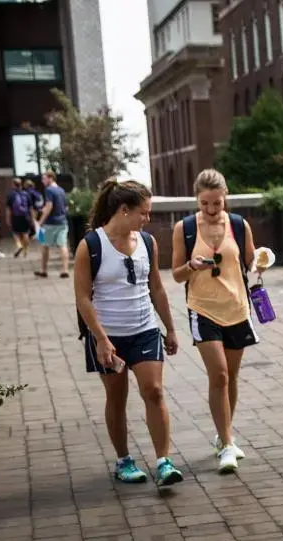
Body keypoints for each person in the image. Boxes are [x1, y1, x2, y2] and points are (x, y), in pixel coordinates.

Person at [73, 178, 185, 488]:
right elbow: (82, 297)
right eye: (144, 213)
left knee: (155, 391)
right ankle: (123, 460)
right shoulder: (91, 245)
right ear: (124, 210)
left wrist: (170, 329)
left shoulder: (147, 242)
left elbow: (157, 289)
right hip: (109, 336)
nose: (147, 219)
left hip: (145, 329)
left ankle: (163, 461)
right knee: (117, 397)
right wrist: (101, 339)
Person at [171, 168, 268, 474]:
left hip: (237, 308)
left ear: (225, 197)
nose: (212, 211)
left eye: (216, 203)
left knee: (232, 377)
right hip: (202, 309)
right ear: (197, 200)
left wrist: (262, 262)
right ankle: (227, 445)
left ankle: (223, 433)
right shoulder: (184, 228)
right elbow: (175, 275)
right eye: (204, 204)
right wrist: (192, 265)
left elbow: (251, 261)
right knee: (221, 376)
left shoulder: (239, 225)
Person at [35, 171, 70, 278]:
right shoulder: (61, 190)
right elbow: (65, 207)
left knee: (45, 246)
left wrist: (40, 222)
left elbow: (49, 206)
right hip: (63, 222)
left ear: (51, 178)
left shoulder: (48, 190)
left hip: (50, 223)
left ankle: (43, 270)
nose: (42, 181)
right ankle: (65, 270)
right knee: (62, 245)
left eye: (44, 178)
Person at [6, 178, 33, 257]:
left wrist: (8, 219)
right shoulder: (26, 194)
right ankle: (26, 251)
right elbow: (30, 208)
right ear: (21, 184)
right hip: (26, 216)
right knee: (26, 233)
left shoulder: (10, 195)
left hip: (15, 217)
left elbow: (8, 209)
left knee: (15, 233)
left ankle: (19, 245)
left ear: (13, 185)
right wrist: (32, 218)